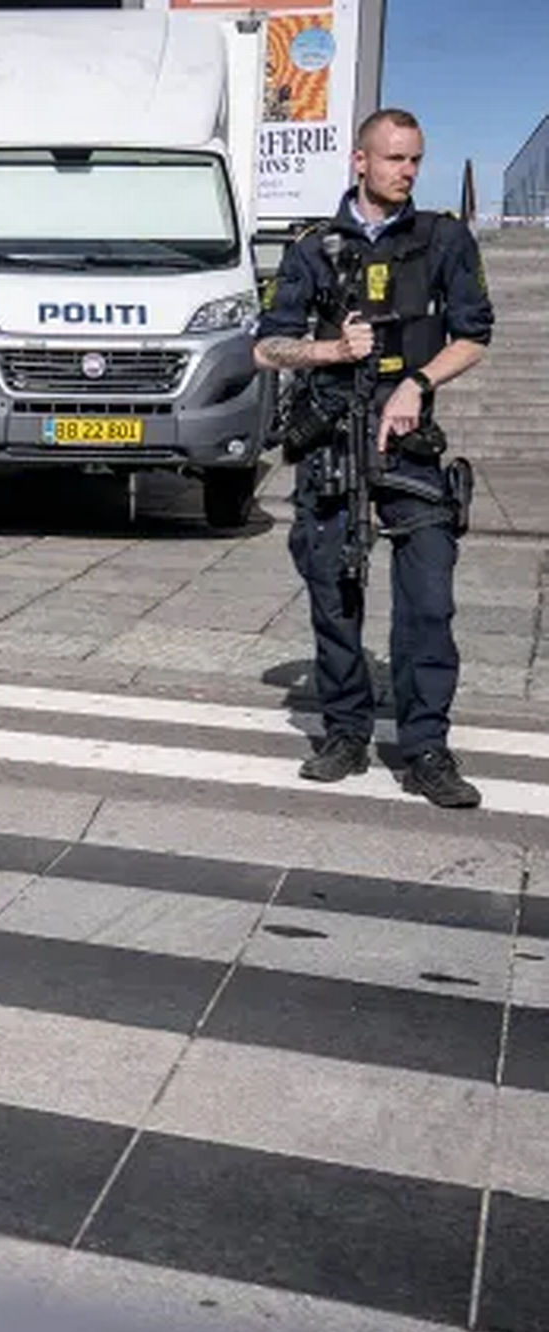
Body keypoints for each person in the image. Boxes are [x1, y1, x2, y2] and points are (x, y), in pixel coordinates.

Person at [253, 107, 494, 809]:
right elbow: (266, 346)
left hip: (410, 448)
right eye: (393, 159)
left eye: (415, 159)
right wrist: (332, 350)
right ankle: (346, 733)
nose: (407, 171)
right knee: (335, 599)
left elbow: (474, 334)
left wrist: (417, 384)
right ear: (360, 162)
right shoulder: (311, 246)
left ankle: (425, 749)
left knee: (427, 606)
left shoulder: (443, 238)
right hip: (332, 444)